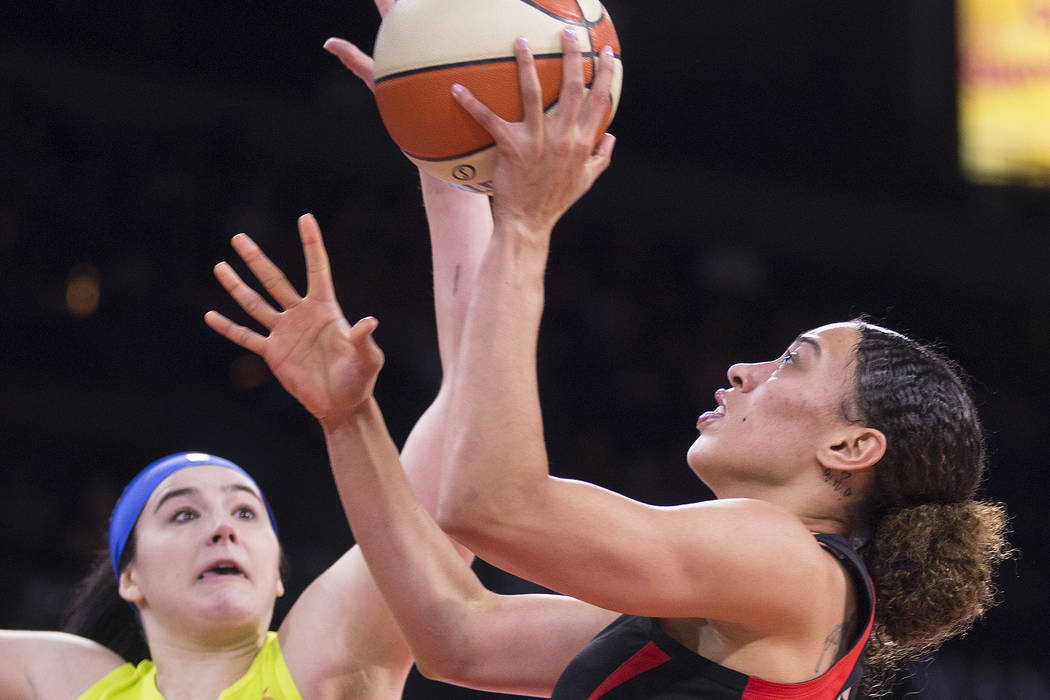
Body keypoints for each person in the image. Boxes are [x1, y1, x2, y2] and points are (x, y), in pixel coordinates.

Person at [305, 20, 1010, 700]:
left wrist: (525, 225)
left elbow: (492, 506)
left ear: (853, 445)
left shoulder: (788, 560)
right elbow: (456, 635)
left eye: (792, 362)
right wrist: (349, 419)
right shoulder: (741, 604)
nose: (745, 370)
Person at [0, 153, 488, 699]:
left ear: (279, 576)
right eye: (183, 513)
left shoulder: (320, 662)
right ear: (129, 578)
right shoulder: (81, 682)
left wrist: (449, 164)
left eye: (246, 512)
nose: (222, 528)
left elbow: (473, 408)